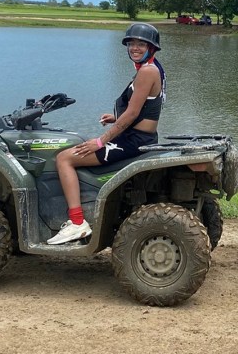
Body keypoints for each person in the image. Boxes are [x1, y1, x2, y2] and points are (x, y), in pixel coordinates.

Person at [47, 23, 166, 245]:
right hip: (140, 136)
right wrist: (114, 119)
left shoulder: (147, 72)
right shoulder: (153, 68)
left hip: (133, 140)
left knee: (64, 158)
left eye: (141, 44)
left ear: (152, 48)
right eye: (131, 43)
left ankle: (77, 222)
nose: (135, 48)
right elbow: (146, 108)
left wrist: (101, 141)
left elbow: (131, 114)